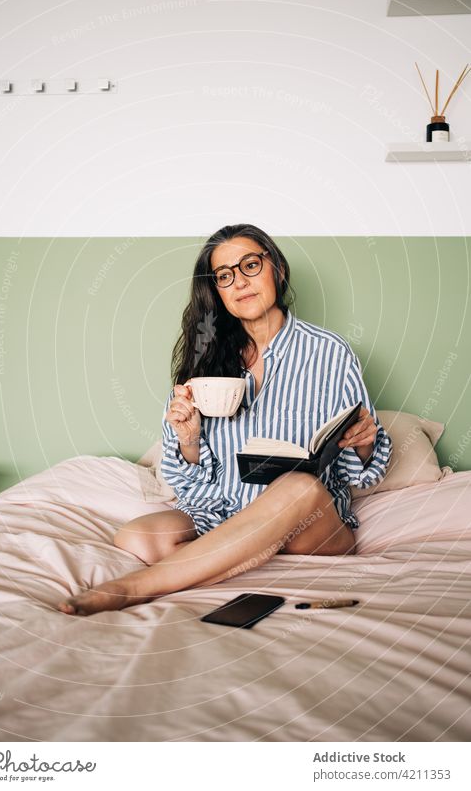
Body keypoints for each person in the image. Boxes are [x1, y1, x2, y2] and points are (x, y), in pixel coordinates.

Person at [58, 224, 392, 616]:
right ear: (216, 291)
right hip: (224, 516)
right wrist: (189, 440)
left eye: (250, 265)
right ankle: (245, 554)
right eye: (225, 276)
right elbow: (189, 487)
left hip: (312, 525)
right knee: (137, 536)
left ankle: (135, 587)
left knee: (297, 488)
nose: (240, 282)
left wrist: (365, 442)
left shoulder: (331, 353)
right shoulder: (205, 362)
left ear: (277, 269)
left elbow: (365, 475)